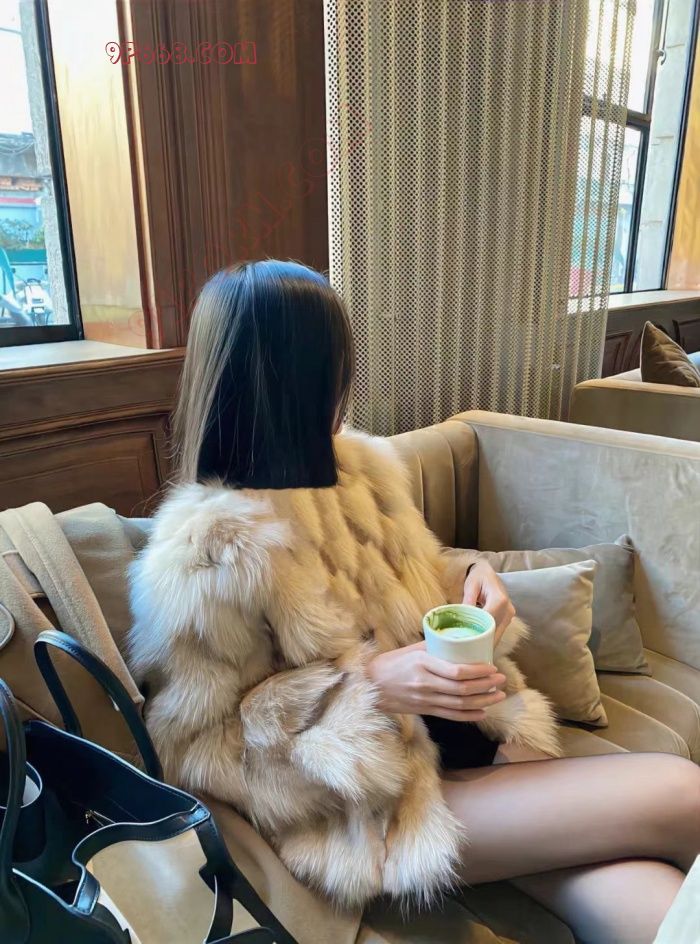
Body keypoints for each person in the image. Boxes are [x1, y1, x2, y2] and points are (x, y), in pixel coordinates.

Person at [128, 260, 700, 944]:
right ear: (296, 379)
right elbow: (196, 750)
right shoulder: (207, 550)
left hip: (473, 743)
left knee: (660, 905)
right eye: (334, 366)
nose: (344, 386)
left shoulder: (358, 472)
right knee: (683, 792)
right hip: (375, 809)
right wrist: (366, 687)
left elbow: (417, 575)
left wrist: (475, 577)